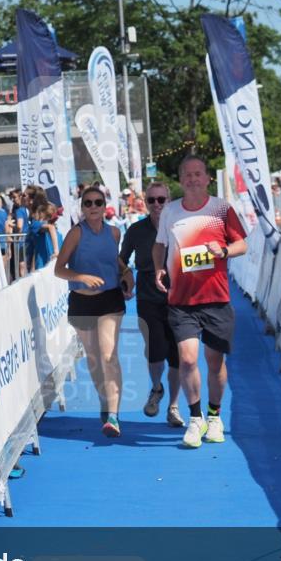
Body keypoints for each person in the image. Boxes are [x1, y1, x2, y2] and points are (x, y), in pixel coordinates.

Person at [152, 156, 247, 449]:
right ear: (181, 180)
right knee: (188, 359)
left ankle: (214, 416)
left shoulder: (221, 209)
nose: (193, 179)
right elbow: (160, 245)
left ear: (207, 178)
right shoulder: (170, 211)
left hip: (216, 299)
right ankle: (196, 418)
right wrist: (158, 268)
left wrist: (224, 251)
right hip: (181, 300)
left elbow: (242, 244)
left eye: (198, 174)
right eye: (187, 174)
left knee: (215, 362)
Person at [54, 186, 134, 438]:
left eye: (98, 202)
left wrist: (126, 273)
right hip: (82, 302)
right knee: (93, 358)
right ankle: (104, 397)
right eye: (88, 203)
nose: (93, 207)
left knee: (109, 355)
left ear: (104, 205)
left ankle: (113, 416)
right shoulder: (76, 233)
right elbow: (59, 269)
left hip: (110, 299)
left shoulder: (114, 232)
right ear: (82, 207)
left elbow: (113, 260)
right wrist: (80, 277)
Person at [119, 181, 183, 427]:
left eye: (161, 199)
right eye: (151, 200)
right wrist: (126, 279)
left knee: (177, 354)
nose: (157, 204)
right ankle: (156, 388)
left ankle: (174, 407)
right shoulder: (136, 230)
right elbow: (122, 259)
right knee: (155, 349)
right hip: (148, 296)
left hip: (179, 297)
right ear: (145, 203)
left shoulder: (181, 226)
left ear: (169, 201)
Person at [26, 201, 60, 272]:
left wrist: (56, 251)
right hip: (52, 263)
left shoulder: (35, 225)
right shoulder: (57, 231)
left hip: (43, 264)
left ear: (41, 213)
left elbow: (51, 228)